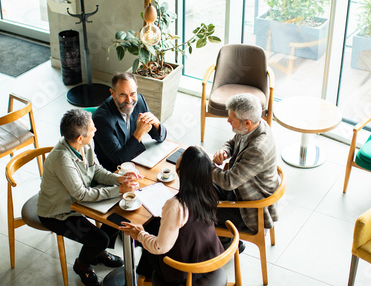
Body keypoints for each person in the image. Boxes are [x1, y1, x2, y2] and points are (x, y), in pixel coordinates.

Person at [37, 109, 140, 286]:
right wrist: (119, 190)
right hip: (58, 213)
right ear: (79, 138)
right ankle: (82, 264)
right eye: (92, 129)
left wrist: (119, 179)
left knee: (118, 217)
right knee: (100, 239)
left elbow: (97, 171)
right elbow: (81, 195)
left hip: (76, 203)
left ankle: (97, 252)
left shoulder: (86, 144)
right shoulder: (62, 159)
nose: (96, 131)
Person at [119, 146, 223, 284]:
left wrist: (140, 234)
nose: (178, 156)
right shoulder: (208, 193)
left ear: (183, 170)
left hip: (183, 272)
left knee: (147, 241)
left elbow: (159, 247)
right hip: (208, 257)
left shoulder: (176, 205)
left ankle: (143, 277)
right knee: (155, 225)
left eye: (181, 156)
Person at [211, 93, 279, 250]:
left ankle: (228, 246)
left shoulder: (257, 149)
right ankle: (225, 241)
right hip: (240, 188)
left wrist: (206, 166)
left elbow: (228, 182)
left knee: (199, 212)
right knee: (201, 189)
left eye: (231, 119)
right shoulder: (255, 127)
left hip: (249, 208)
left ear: (247, 122)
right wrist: (224, 151)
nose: (228, 121)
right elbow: (233, 141)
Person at [93, 72, 167, 171]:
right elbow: (118, 159)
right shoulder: (101, 119)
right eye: (123, 95)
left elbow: (159, 137)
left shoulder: (139, 101)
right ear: (112, 94)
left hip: (134, 157)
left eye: (132, 94)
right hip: (113, 170)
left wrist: (156, 123)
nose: (129, 100)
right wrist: (139, 133)